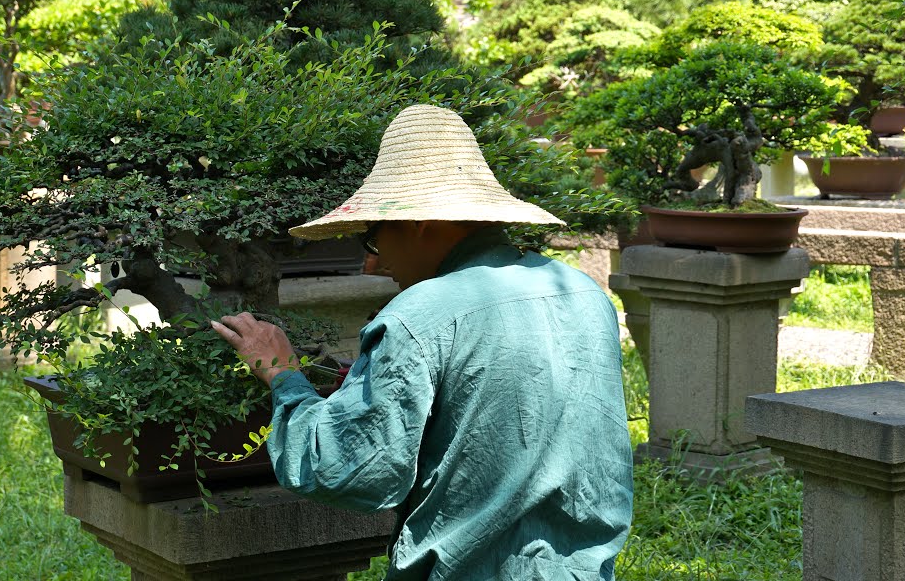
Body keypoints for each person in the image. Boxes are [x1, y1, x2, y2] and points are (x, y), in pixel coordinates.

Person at [212, 104, 633, 580]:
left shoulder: (418, 316)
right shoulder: (579, 291)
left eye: (373, 239)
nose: (372, 264)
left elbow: (347, 467)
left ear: (418, 223)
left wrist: (284, 376)